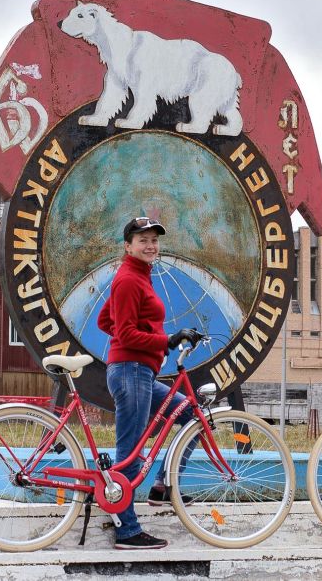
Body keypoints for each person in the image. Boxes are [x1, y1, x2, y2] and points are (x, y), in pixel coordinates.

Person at [97, 216, 200, 550]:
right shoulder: (129, 279)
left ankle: (162, 485)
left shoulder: (137, 276)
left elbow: (104, 320)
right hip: (131, 371)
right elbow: (123, 331)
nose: (150, 245)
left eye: (154, 239)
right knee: (129, 454)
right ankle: (126, 531)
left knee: (189, 416)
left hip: (138, 370)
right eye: (142, 240)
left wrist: (139, 340)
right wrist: (166, 340)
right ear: (128, 246)